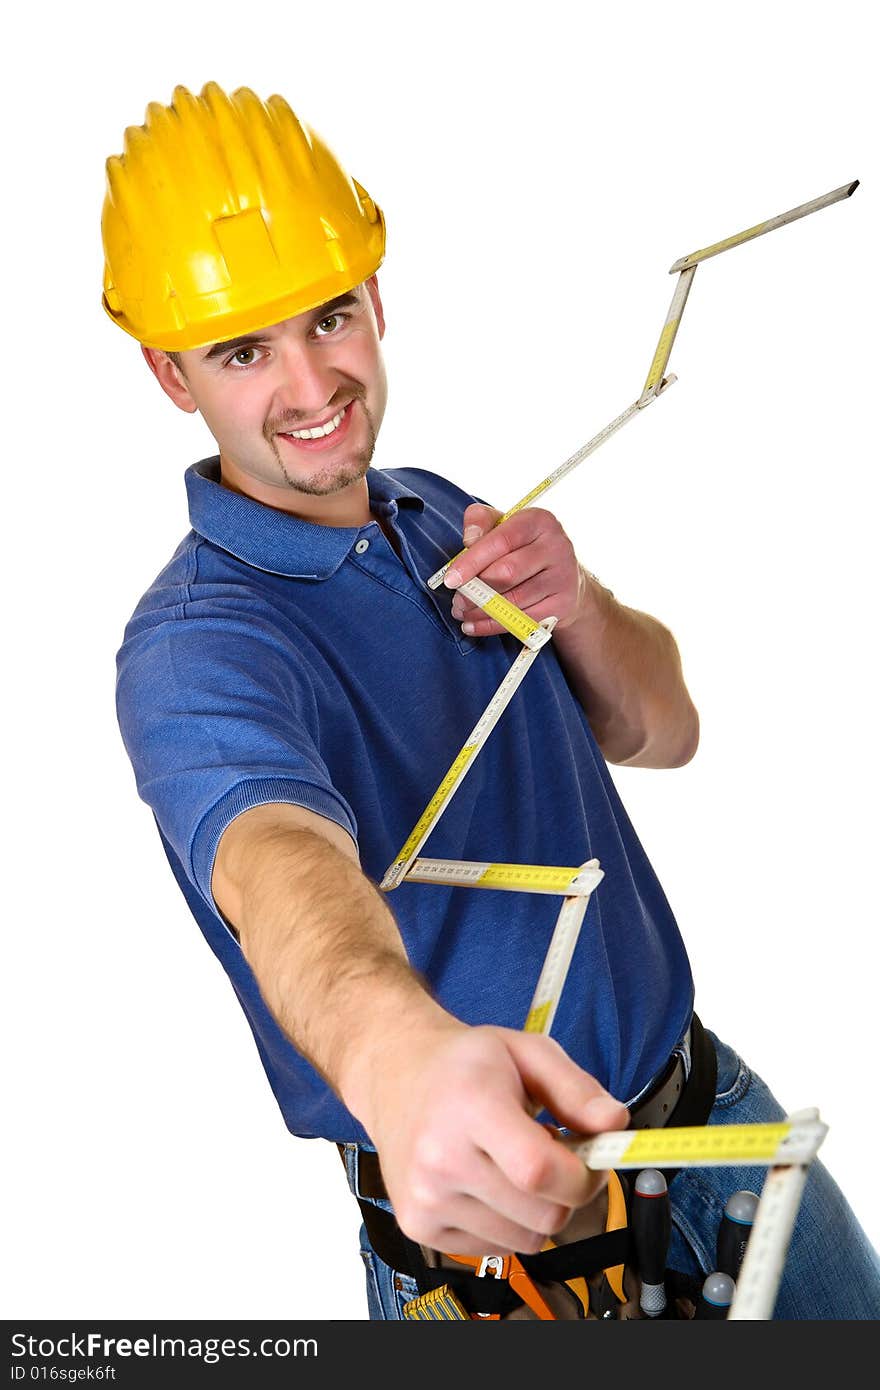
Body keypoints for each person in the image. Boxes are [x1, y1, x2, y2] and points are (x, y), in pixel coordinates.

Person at [108, 82, 878, 1320]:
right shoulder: (198, 649)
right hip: (502, 1252)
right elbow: (274, 863)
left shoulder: (432, 510)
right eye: (242, 349)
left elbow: (663, 731)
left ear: (375, 297)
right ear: (168, 371)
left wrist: (581, 606)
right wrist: (393, 1057)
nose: (312, 383)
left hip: (712, 1128)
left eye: (329, 316)